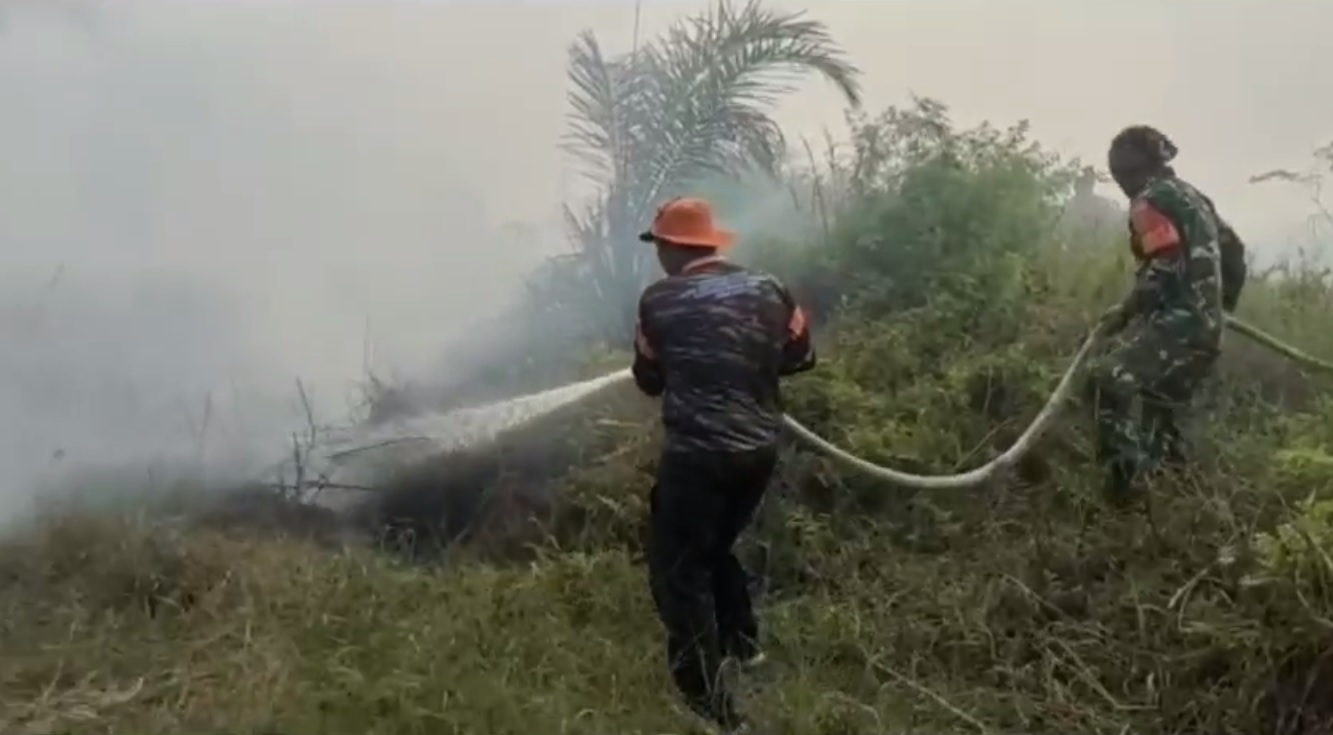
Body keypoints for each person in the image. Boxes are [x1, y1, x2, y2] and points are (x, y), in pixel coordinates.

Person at [631, 196, 816, 732]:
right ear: (710, 243)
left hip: (697, 458)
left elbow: (648, 378)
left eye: (659, 245)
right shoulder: (769, 289)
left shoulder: (658, 302)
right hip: (757, 453)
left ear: (671, 247)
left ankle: (710, 709)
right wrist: (746, 367)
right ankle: (743, 643)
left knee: (678, 572)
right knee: (712, 548)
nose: (658, 256)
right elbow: (802, 356)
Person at [1085, 125, 1248, 503]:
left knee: (1105, 381)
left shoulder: (1148, 201)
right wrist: (1219, 311)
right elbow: (1235, 253)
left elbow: (1165, 263)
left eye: (1119, 177)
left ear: (1128, 172)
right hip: (1207, 333)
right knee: (1161, 407)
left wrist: (1125, 313)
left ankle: (1124, 495)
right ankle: (1175, 501)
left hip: (1180, 328)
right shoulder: (1192, 197)